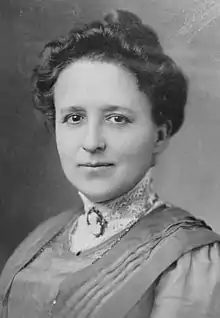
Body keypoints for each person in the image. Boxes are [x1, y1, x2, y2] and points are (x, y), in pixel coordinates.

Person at [0, 9, 220, 318]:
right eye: (74, 118)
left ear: (160, 134)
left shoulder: (189, 260)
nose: (92, 142)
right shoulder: (40, 241)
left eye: (117, 119)